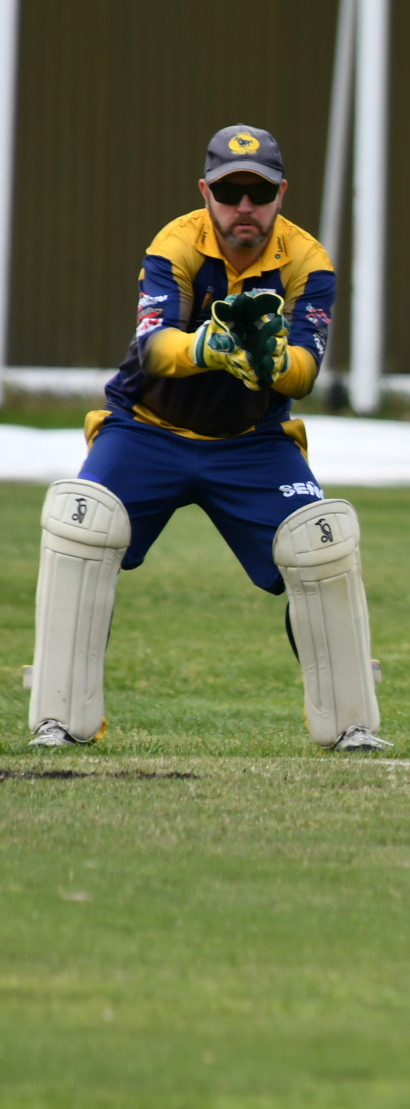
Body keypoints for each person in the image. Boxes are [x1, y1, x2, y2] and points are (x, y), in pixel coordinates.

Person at [25, 125, 387, 752]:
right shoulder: (176, 243)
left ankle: (351, 724)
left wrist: (269, 362)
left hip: (251, 441)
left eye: (259, 193)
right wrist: (211, 347)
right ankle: (59, 717)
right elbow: (153, 348)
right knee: (81, 527)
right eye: (229, 193)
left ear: (280, 194)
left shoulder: (308, 261)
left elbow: (306, 370)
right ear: (206, 191)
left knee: (320, 547)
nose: (244, 208)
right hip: (147, 429)